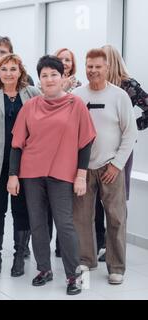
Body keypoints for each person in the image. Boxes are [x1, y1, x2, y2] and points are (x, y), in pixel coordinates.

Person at [7, 55, 97, 295]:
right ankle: (44, 269)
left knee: (65, 225)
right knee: (38, 224)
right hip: (31, 173)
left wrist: (81, 176)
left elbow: (85, 142)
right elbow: (17, 144)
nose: (49, 79)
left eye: (53, 74)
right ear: (39, 79)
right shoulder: (30, 106)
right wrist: (13, 175)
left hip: (63, 173)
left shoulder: (75, 105)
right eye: (44, 75)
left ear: (63, 77)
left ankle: (74, 276)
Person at [73, 49, 137, 285]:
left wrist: (117, 164)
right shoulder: (77, 95)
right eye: (89, 66)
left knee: (116, 217)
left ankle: (116, 266)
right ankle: (86, 260)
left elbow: (129, 134)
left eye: (98, 66)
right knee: (81, 217)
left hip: (111, 167)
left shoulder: (119, 96)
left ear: (107, 68)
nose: (93, 71)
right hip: (83, 168)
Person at [0, 54, 41, 276]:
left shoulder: (32, 94)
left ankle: (19, 256)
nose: (9, 73)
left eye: (13, 69)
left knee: (21, 210)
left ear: (21, 72)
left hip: (26, 162)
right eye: (4, 69)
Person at [95, 45, 148, 262]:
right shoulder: (95, 86)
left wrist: (131, 128)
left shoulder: (128, 85)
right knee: (97, 197)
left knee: (116, 200)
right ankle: (98, 243)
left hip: (121, 151)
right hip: (97, 150)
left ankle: (113, 246)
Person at [48, 47, 83, 258]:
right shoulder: (47, 84)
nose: (64, 62)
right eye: (60, 59)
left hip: (69, 155)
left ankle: (64, 247)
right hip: (47, 154)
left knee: (65, 208)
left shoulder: (79, 87)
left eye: (67, 60)